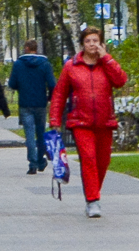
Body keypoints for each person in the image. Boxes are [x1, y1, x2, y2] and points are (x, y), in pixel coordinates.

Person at [48, 27, 127, 219]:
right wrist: (55, 119)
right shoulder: (72, 66)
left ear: (101, 43)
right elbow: (59, 94)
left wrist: (107, 58)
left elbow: (120, 80)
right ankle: (93, 201)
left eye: (95, 41)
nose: (92, 44)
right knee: (89, 159)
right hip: (81, 121)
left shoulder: (106, 64)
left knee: (102, 162)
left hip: (104, 121)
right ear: (82, 44)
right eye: (88, 41)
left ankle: (93, 195)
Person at [8, 39, 56, 173]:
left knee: (29, 133)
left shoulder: (18, 64)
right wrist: (49, 97)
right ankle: (41, 160)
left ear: (27, 48)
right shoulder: (45, 64)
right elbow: (52, 84)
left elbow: (12, 84)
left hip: (25, 103)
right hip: (40, 103)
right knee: (41, 132)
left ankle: (33, 163)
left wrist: (21, 87)